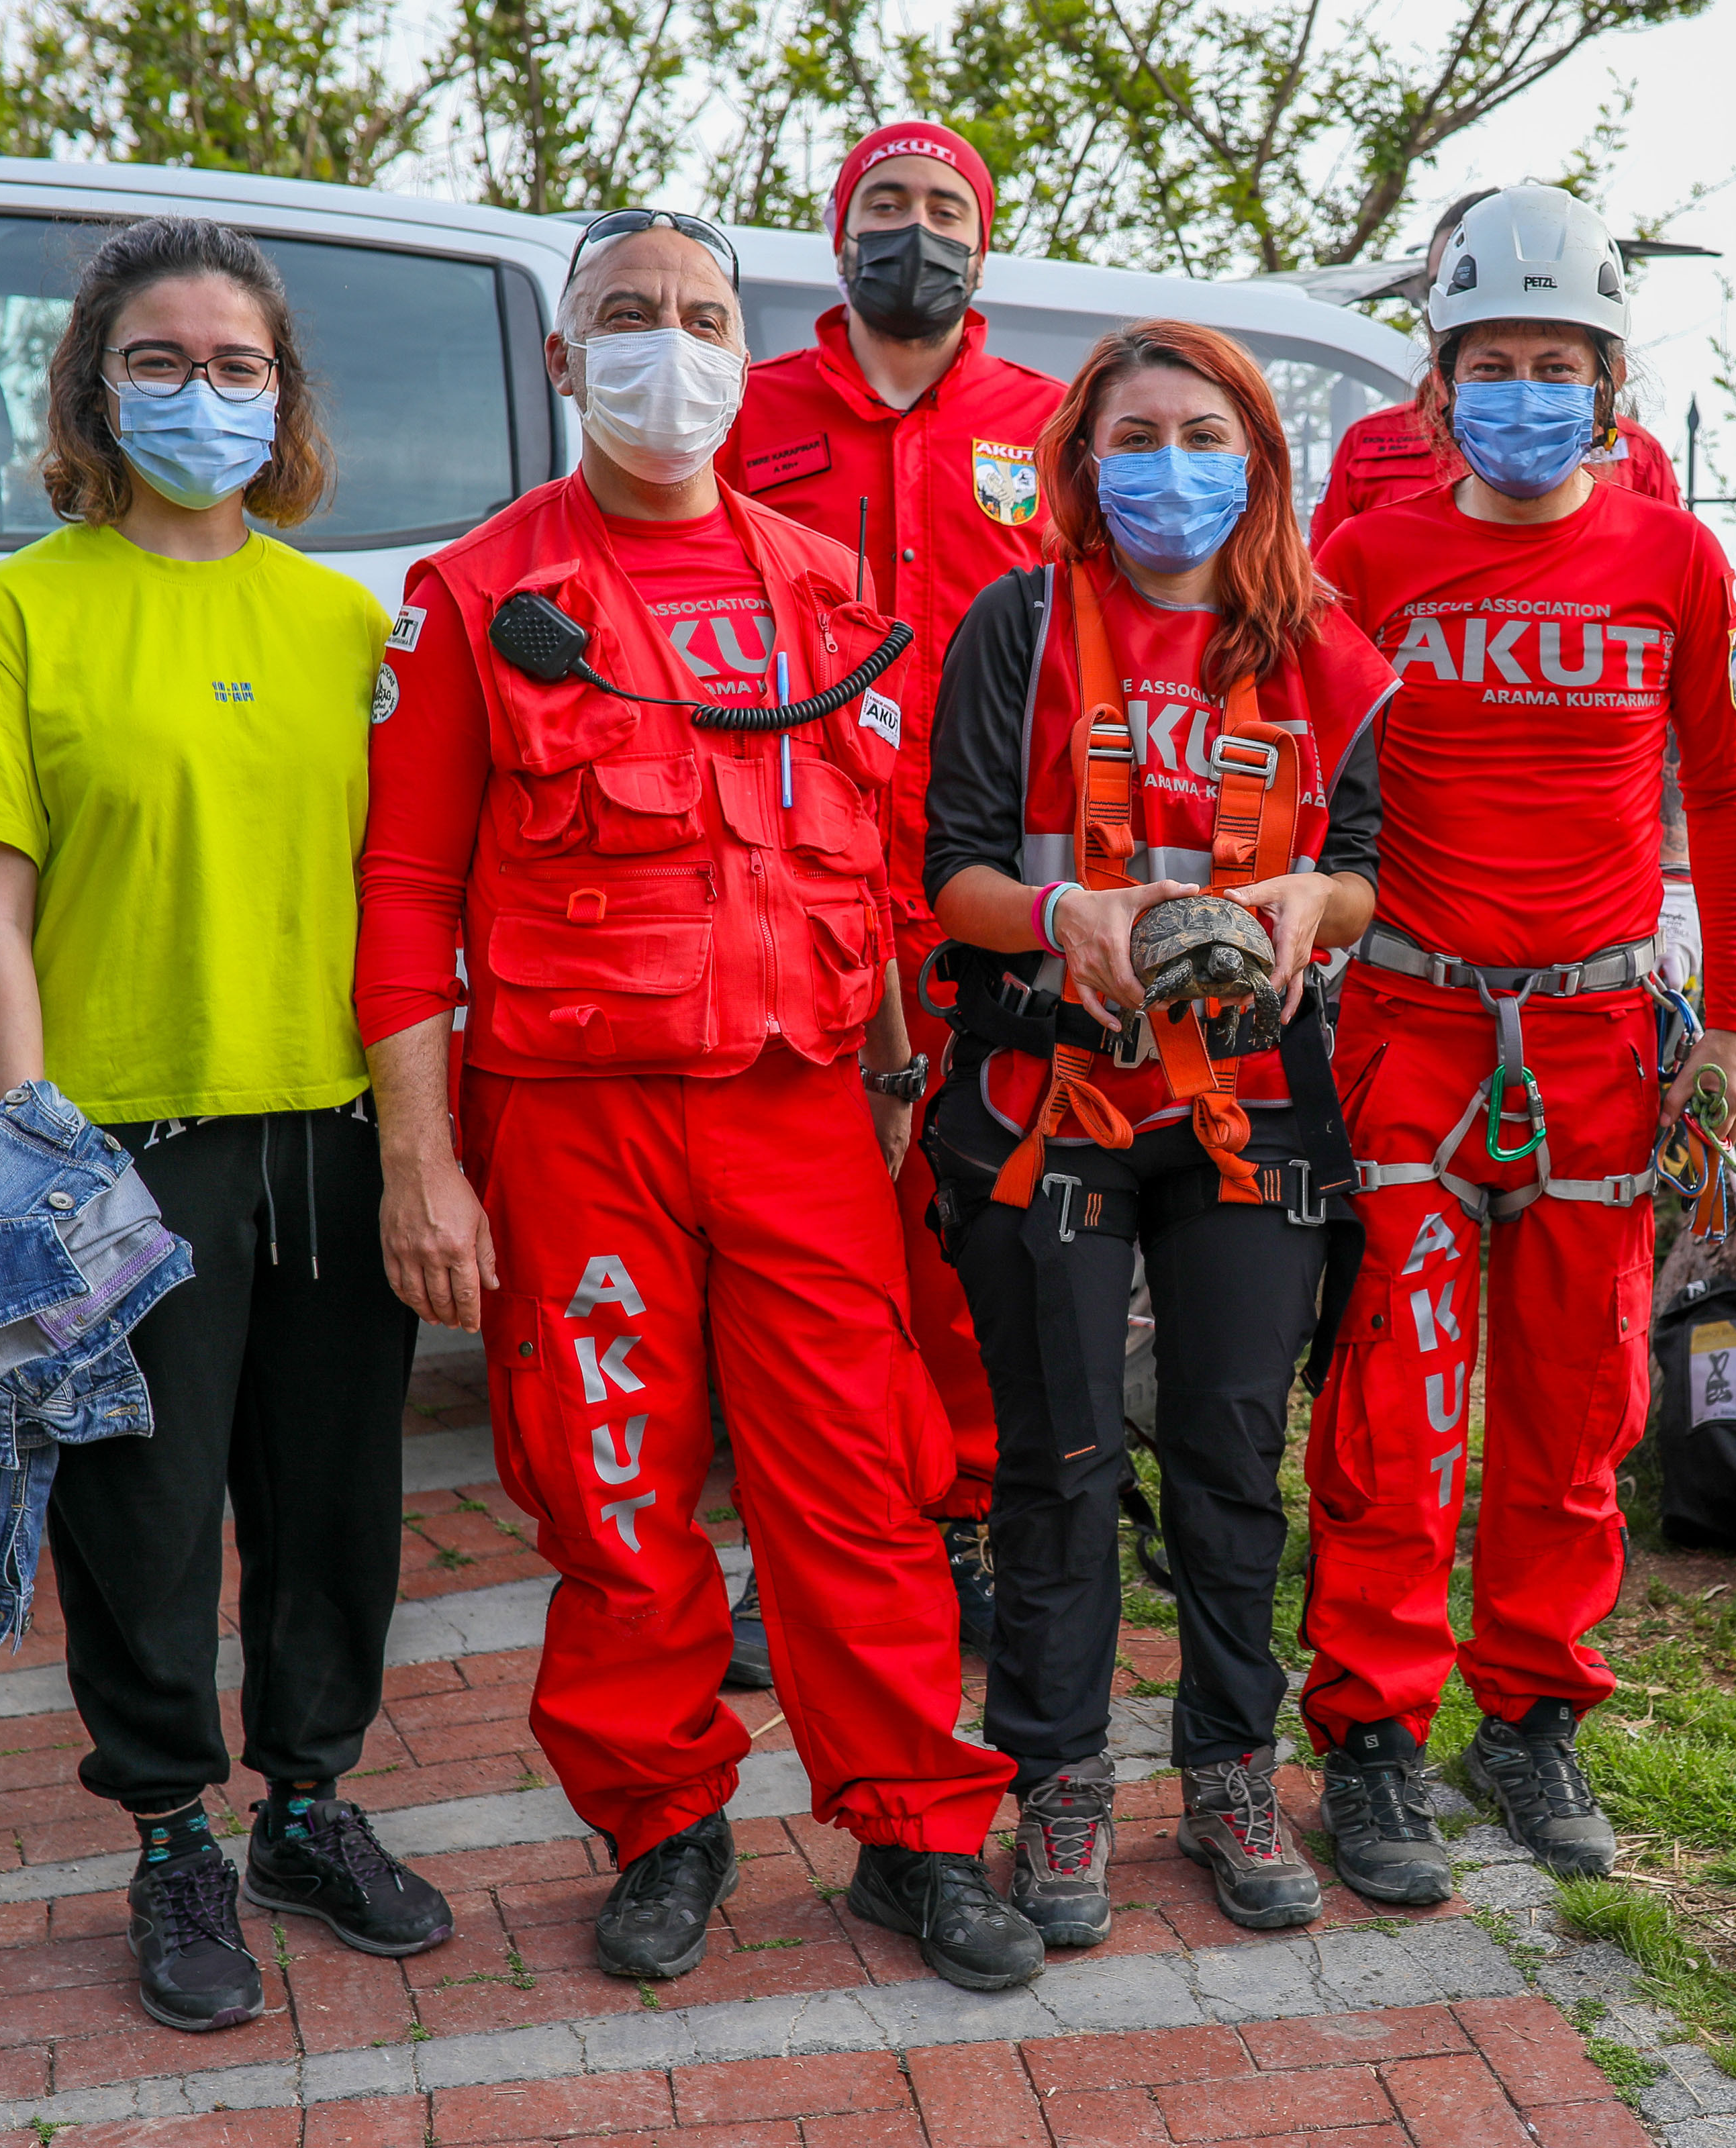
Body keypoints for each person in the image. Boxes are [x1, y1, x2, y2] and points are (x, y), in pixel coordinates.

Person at [354, 210, 1040, 1995]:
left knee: (865, 1481)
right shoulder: (475, 597)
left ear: (746, 353)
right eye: (628, 315)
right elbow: (405, 891)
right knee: (610, 1490)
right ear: (565, 358)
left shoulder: (826, 592)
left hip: (804, 1112)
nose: (670, 346)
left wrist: (899, 1077)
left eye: (704, 316)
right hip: (573, 1123)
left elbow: (877, 862)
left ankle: (917, 1835)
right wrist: (422, 1163)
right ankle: (663, 1826)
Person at [0, 215, 454, 2035]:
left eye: (235, 365)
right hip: (121, 1145)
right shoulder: (15, 615)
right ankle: (169, 1836)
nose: (200, 392)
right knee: (140, 1518)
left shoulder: (347, 625)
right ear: (90, 385)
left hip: (332, 1128)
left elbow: (407, 891)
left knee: (334, 1503)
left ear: (281, 395)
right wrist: (25, 1160)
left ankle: (305, 1806)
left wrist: (427, 1143)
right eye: (159, 360)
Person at [1302, 184, 1736, 1906]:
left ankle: (1533, 1711)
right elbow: (1298, 771)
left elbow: (1726, 788)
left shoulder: (1673, 560)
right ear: (1435, 388)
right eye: (1489, 364)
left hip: (1597, 1041)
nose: (1522, 392)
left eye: (1555, 364)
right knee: (1397, 1403)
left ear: (1610, 383)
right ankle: (1371, 1729)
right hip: (1409, 1025)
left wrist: (1730, 1027)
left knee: (1580, 1403)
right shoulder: (1368, 560)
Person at [922, 318, 1396, 1943]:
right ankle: (1058, 1782)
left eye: (1205, 436)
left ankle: (1229, 1771)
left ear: (1258, 459)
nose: (1171, 468)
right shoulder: (1018, 626)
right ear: (1080, 460)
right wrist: (1065, 913)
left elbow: (1370, 870)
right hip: (1051, 1097)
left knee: (1230, 1456)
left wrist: (1311, 898)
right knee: (1055, 1465)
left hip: (1252, 1109)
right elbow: (952, 868)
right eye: (1136, 437)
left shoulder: (1321, 644)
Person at [716, 122, 1068, 1673]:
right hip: (790, 881)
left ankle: (965, 1519)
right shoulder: (749, 410)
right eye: (885, 204)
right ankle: (795, 1539)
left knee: (970, 1228)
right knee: (802, 1234)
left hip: (980, 890)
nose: (913, 232)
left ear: (982, 242)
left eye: (943, 209)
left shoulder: (1047, 426)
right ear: (835, 228)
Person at [1305, 189, 1683, 550]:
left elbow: (1669, 561)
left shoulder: (1638, 454)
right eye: (1442, 284)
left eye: (1555, 368)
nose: (1523, 395)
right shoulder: (1370, 446)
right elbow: (1321, 585)